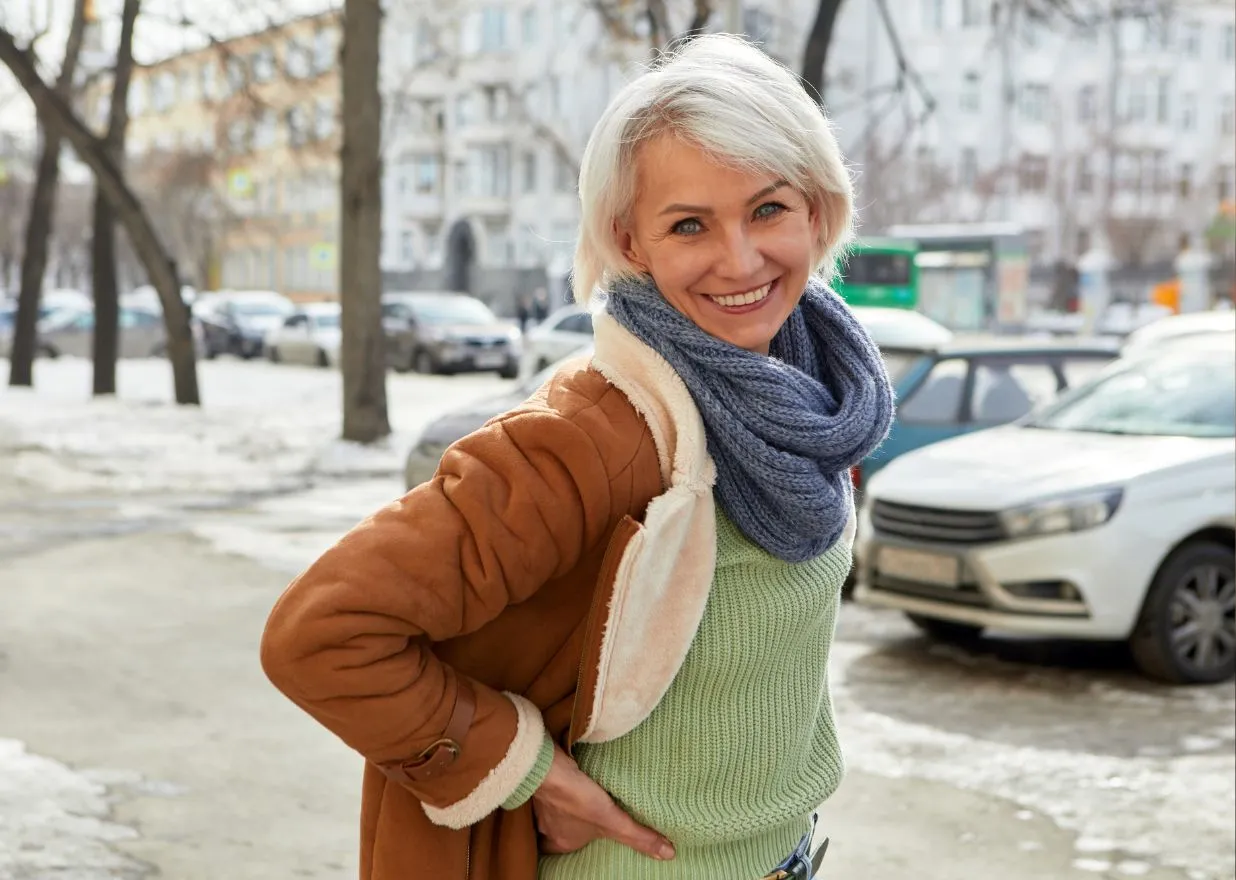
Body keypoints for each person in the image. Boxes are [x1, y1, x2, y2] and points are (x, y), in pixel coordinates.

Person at [260, 34, 893, 880]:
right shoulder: (593, 432)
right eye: (690, 224)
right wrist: (528, 770)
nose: (740, 259)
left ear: (819, 208)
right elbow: (319, 633)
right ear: (632, 242)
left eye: (768, 209)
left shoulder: (815, 399)